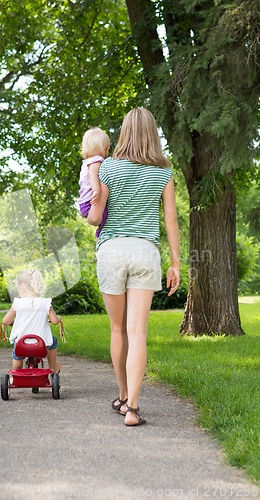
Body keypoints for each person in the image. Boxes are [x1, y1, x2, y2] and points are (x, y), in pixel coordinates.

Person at [87, 107, 180, 427]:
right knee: (138, 331)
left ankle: (123, 395)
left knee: (117, 330)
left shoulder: (108, 168)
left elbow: (96, 216)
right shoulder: (164, 172)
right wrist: (176, 264)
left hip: (112, 252)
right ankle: (134, 409)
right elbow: (171, 221)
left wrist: (89, 213)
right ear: (153, 133)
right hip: (146, 253)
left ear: (125, 132)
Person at [2, 269, 62, 374]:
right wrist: (59, 318)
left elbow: (5, 321)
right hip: (41, 344)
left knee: (17, 355)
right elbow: (54, 321)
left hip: (22, 344)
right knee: (54, 341)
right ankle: (52, 368)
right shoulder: (45, 303)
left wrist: (13, 322)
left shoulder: (18, 303)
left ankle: (15, 375)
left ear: (21, 287)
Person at [78, 127, 110, 237]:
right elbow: (93, 175)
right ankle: (100, 238)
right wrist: (96, 190)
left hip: (84, 203)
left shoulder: (86, 162)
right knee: (107, 220)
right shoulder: (96, 161)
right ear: (105, 149)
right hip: (90, 202)